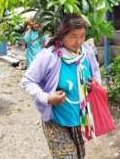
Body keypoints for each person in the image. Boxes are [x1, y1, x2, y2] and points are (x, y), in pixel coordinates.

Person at [21, 14, 101, 159]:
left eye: (82, 36)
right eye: (73, 36)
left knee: (79, 155)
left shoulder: (86, 52)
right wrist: (47, 98)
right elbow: (27, 80)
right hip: (56, 121)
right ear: (62, 35)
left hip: (78, 119)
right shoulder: (49, 56)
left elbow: (95, 70)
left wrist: (95, 85)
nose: (78, 41)